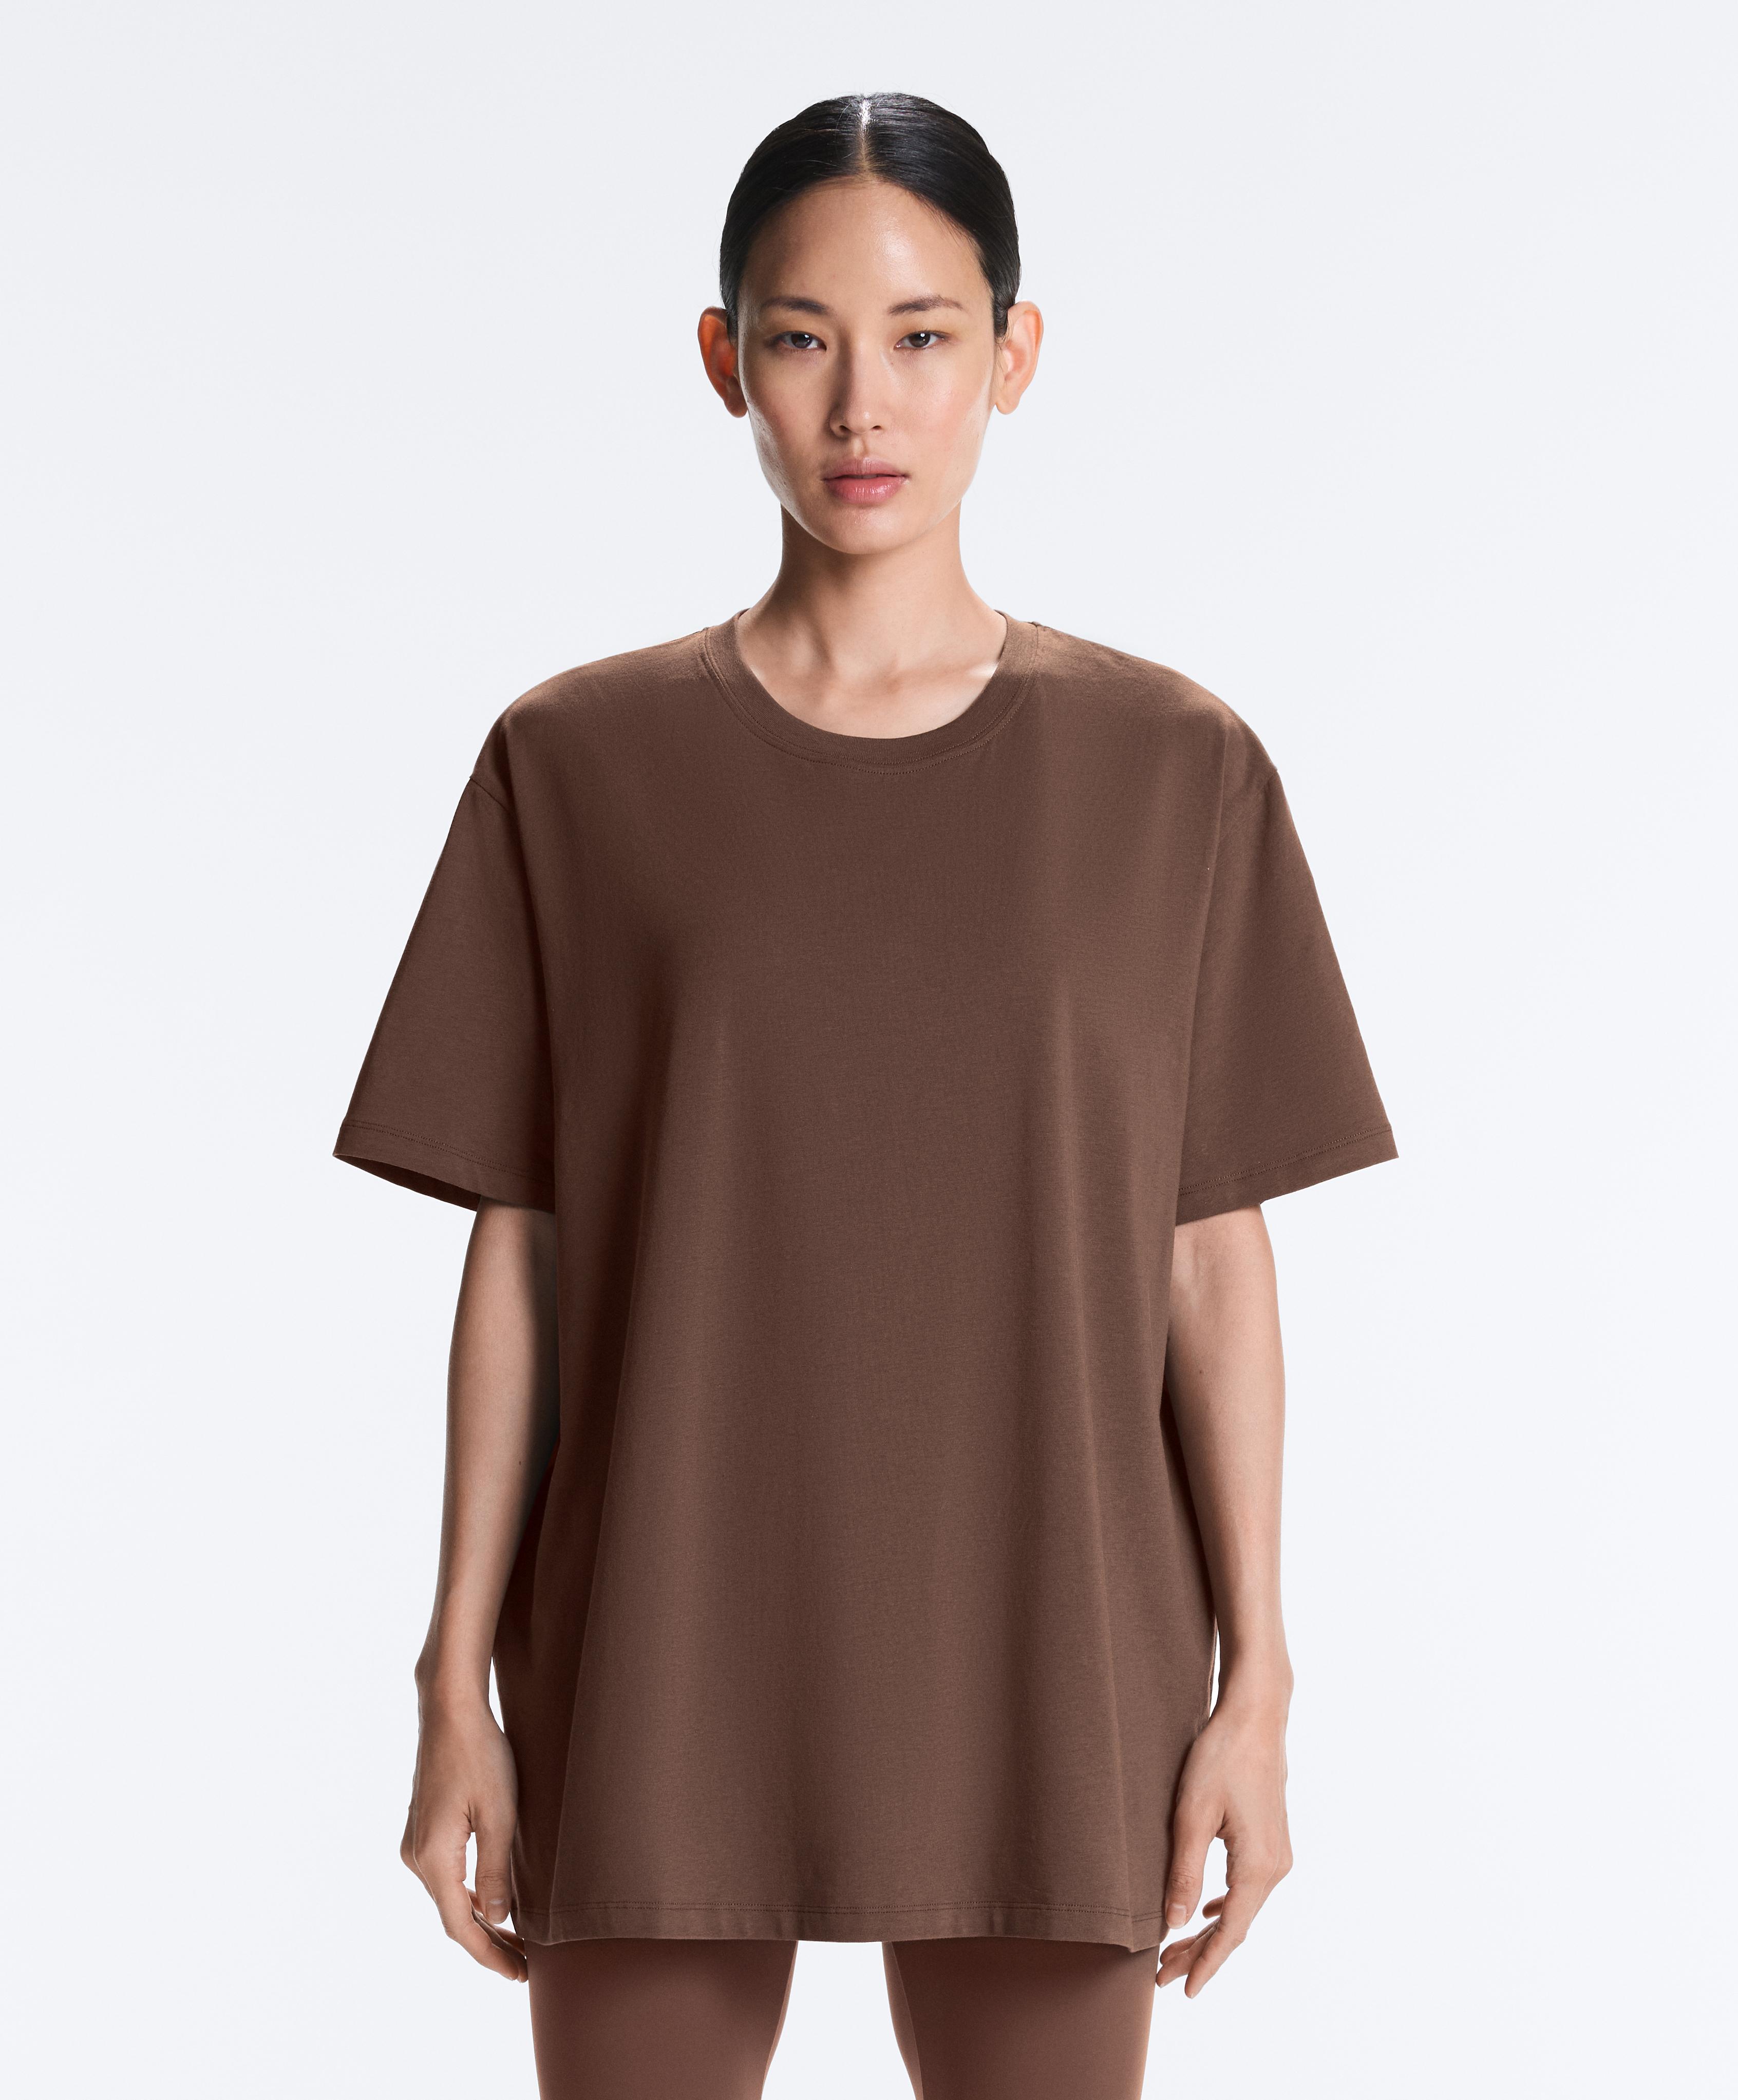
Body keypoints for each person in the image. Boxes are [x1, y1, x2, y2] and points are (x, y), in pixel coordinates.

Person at [334, 90, 1396, 2100]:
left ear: (1015, 352)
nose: (862, 404)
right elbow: (522, 1248)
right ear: (723, 357)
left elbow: (1210, 1255)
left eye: (922, 334)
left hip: (1052, 1644)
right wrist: (450, 1675)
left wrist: (1260, 1681)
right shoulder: (577, 764)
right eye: (803, 337)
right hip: (660, 1633)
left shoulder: (1173, 770)